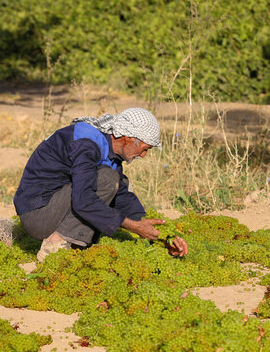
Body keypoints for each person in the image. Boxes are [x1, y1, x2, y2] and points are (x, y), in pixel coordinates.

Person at [13, 107, 188, 261]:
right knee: (108, 179)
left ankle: (69, 240)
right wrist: (133, 227)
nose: (143, 156)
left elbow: (122, 198)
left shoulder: (107, 149)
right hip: (37, 214)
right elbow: (83, 200)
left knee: (114, 181)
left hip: (53, 208)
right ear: (128, 138)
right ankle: (54, 245)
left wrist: (161, 236)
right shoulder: (86, 144)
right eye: (144, 149)